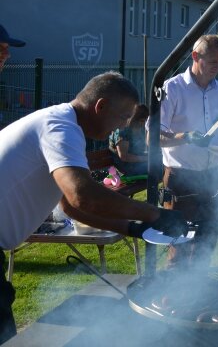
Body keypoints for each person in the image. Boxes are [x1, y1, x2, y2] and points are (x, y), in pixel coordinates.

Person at [0, 72, 189, 343]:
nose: (124, 124)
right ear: (100, 106)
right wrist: (155, 214)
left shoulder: (62, 123)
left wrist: (132, 228)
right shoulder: (60, 127)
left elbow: (70, 208)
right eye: (123, 116)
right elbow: (82, 195)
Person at [157, 34, 218, 269]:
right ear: (195, 56)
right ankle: (173, 296)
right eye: (213, 61)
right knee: (178, 240)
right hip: (180, 178)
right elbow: (154, 137)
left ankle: (200, 291)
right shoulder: (172, 89)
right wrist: (185, 137)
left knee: (207, 239)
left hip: (213, 177)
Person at [109, 103, 149, 177]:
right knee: (156, 169)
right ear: (135, 119)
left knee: (159, 165)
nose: (144, 124)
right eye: (143, 121)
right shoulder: (122, 130)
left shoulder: (138, 129)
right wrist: (146, 158)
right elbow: (123, 157)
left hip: (135, 163)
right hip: (124, 167)